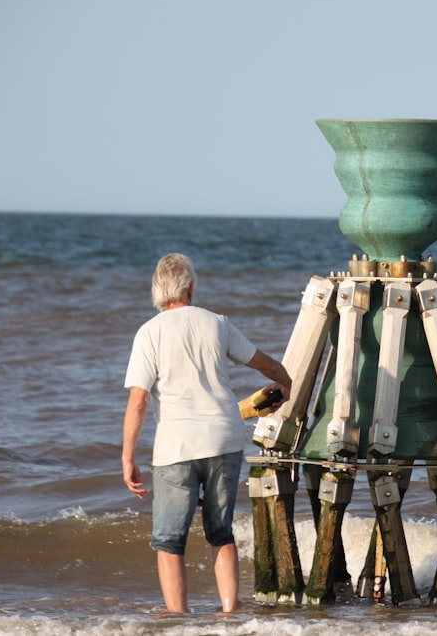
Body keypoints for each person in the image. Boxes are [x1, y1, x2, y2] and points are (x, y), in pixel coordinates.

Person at [121, 253, 291, 614]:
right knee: (220, 532)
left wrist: (127, 457)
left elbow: (138, 400)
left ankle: (179, 618)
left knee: (169, 541)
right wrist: (286, 382)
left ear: (157, 291)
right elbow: (261, 361)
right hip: (224, 439)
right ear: (191, 287)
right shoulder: (216, 323)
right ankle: (230, 612)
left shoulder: (149, 332)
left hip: (176, 448)